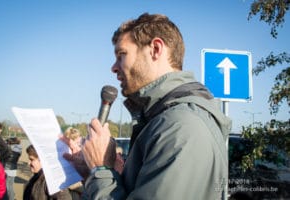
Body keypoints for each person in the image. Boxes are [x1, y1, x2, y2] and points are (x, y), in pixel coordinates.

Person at [64, 13, 231, 199]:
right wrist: (95, 173)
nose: (114, 67)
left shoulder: (181, 127)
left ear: (156, 49)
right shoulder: (164, 119)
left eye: (122, 55)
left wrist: (100, 169)